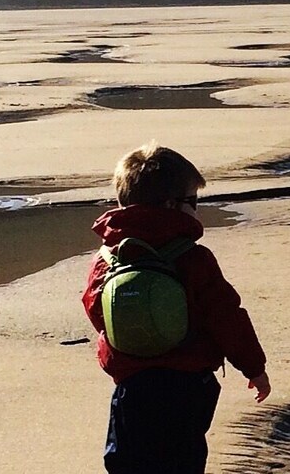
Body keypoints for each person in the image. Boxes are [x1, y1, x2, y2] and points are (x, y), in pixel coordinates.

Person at [84, 141, 270, 474]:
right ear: (172, 205)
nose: (196, 211)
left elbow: (97, 310)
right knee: (182, 459)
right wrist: (254, 368)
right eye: (193, 202)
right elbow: (227, 317)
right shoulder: (193, 257)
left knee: (128, 459)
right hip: (188, 383)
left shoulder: (107, 259)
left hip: (133, 383)